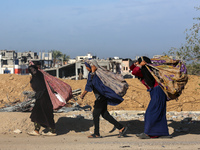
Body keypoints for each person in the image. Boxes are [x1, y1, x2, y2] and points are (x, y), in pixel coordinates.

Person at [80, 59, 127, 138]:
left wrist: (83, 94)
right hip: (102, 97)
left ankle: (96, 133)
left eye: (87, 66)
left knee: (95, 114)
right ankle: (121, 127)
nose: (86, 68)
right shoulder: (93, 74)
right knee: (105, 115)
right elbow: (90, 84)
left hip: (102, 97)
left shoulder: (97, 74)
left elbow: (91, 85)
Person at [130, 56, 171, 139]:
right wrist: (137, 63)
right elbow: (132, 68)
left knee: (150, 113)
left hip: (158, 91)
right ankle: (162, 133)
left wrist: (139, 65)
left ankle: (148, 133)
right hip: (156, 92)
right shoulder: (146, 70)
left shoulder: (147, 71)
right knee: (159, 112)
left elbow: (134, 72)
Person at [27, 65, 56, 136]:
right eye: (31, 70)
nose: (33, 71)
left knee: (46, 113)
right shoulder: (36, 77)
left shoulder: (40, 76)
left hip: (44, 97)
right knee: (36, 114)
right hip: (40, 97)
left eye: (34, 69)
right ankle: (36, 130)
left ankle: (52, 131)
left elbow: (40, 87)